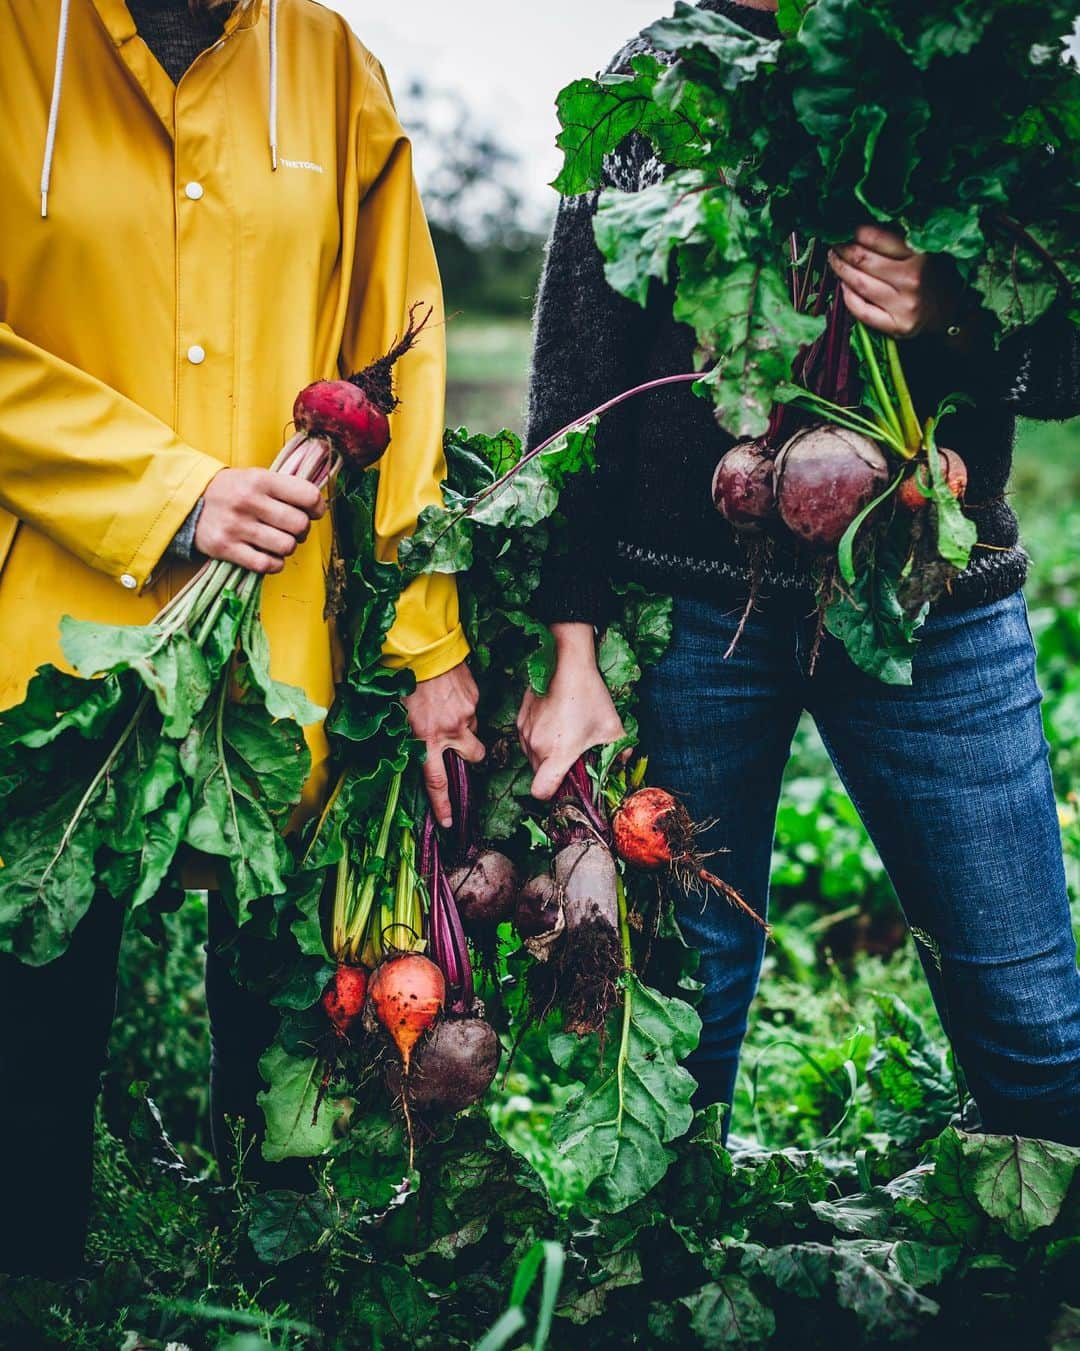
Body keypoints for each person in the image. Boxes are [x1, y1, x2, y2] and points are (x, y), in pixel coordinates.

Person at [518, 0, 1080, 1145]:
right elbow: (575, 397)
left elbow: (1064, 361)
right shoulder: (661, 79)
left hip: (930, 596)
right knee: (685, 1015)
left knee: (1034, 1019)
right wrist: (571, 643)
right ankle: (658, 1293)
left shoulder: (961, 60)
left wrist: (956, 309)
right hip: (691, 612)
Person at [0, 0, 482, 1277]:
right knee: (30, 1012)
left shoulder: (328, 65)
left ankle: (270, 1276)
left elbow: (405, 357)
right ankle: (31, 1282)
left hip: (280, 636)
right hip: (46, 621)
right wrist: (170, 493)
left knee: (278, 1012)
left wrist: (428, 641)